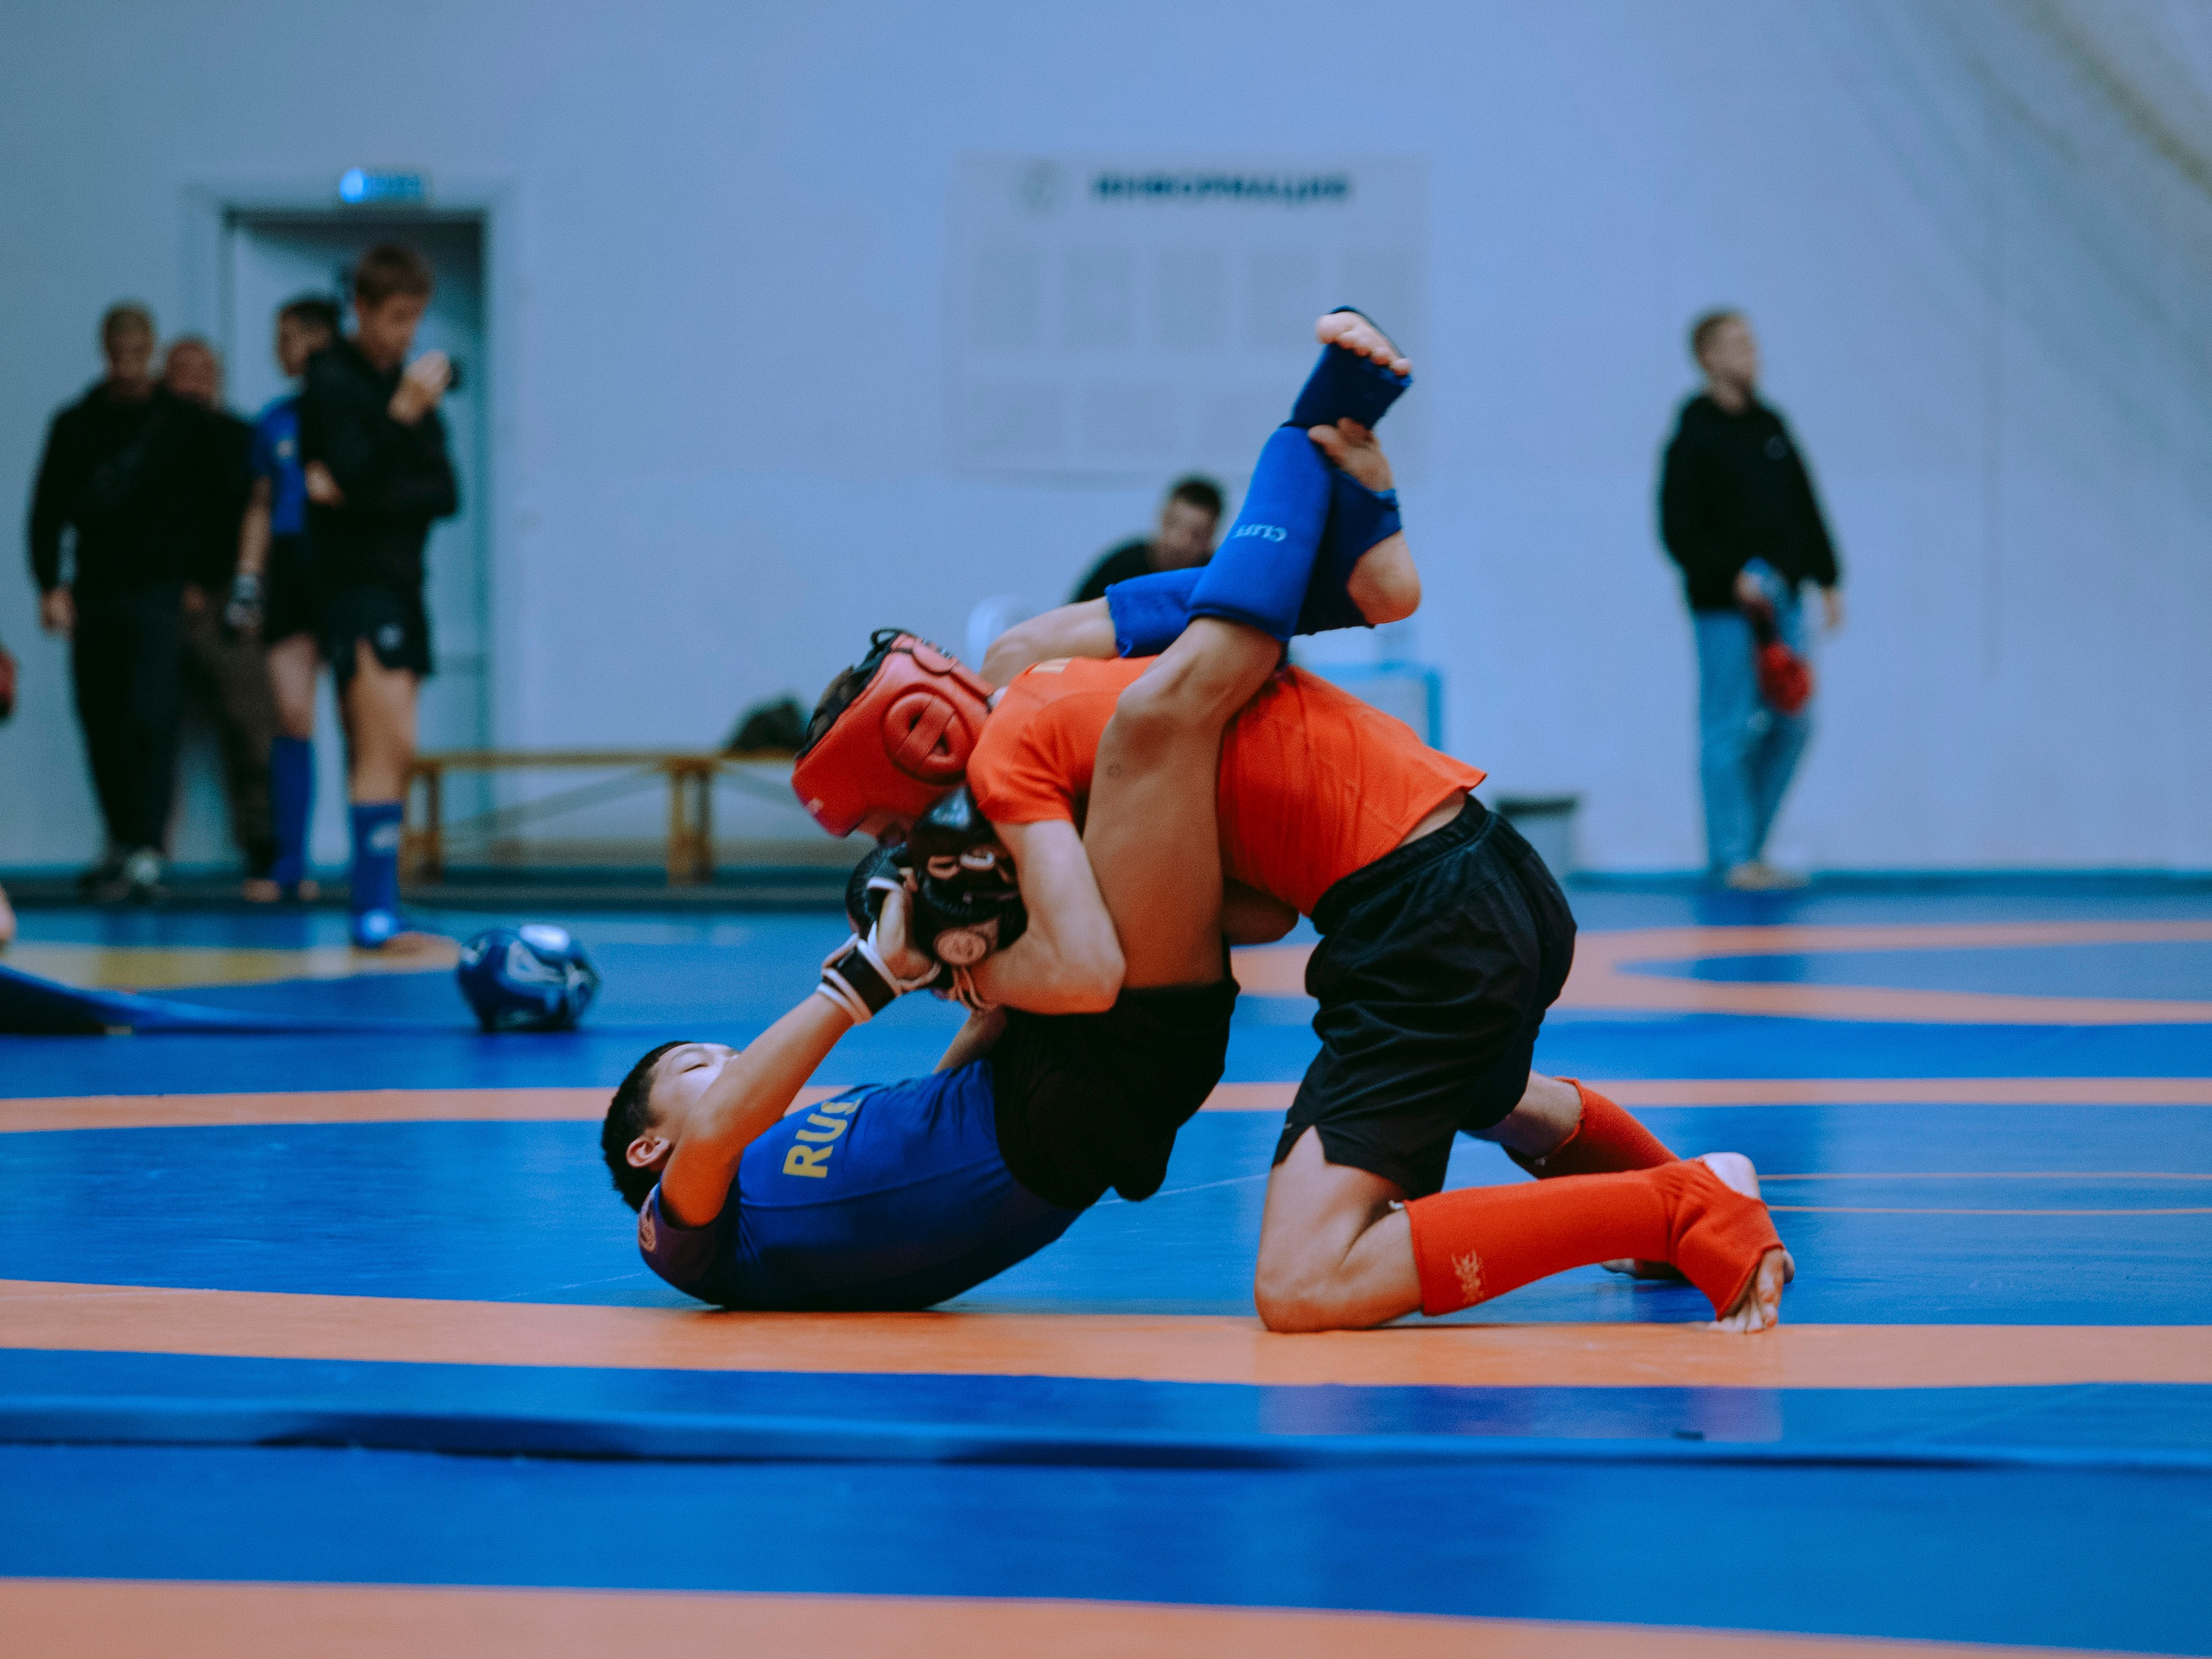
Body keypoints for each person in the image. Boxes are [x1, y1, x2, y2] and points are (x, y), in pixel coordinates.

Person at [794, 312, 1793, 1332]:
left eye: (897, 832)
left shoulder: (1029, 759)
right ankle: (1680, 1193)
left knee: (1304, 1281)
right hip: (1484, 876)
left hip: (1425, 924)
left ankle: (1679, 1209)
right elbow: (1261, 912)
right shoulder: (1035, 667)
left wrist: (981, 972)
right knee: (1490, 1090)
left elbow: (1095, 969)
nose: (919, 852)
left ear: (918, 752)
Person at [27, 304, 235, 901]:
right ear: (104, 351)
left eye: (138, 351)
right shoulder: (77, 424)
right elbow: (46, 510)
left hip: (158, 591)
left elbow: (220, 503)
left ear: (152, 351)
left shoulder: (180, 425)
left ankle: (147, 846)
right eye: (119, 352)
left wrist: (204, 577)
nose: (129, 363)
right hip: (96, 590)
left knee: (152, 718)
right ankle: (120, 840)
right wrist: (50, 585)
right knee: (101, 720)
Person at [298, 245, 457, 948]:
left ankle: (379, 901)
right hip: (358, 588)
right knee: (381, 742)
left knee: (399, 745)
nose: (405, 334)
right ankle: (372, 909)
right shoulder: (332, 380)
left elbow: (443, 491)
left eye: (414, 319)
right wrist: (396, 420)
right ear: (360, 309)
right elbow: (359, 477)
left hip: (403, 583)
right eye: (394, 317)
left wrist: (366, 488)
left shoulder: (413, 392)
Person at [1659, 309, 1845, 891]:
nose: (1752, 353)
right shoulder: (1692, 437)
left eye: (1753, 343)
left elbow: (1804, 505)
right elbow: (1678, 528)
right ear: (1708, 357)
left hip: (1783, 597)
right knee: (1728, 726)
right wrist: (1725, 574)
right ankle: (1731, 858)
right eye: (1737, 344)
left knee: (1794, 720)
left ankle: (1754, 847)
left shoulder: (1772, 428)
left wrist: (1827, 577)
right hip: (1724, 607)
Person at [232, 296, 342, 900]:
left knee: (363, 720)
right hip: (291, 569)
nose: (279, 350)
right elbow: (259, 503)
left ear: (316, 341)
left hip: (342, 568)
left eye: (286, 337)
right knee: (292, 717)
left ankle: (376, 866)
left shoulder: (351, 412)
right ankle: (290, 863)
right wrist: (248, 582)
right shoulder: (275, 419)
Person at [163, 337, 280, 897]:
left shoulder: (240, 438)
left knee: (251, 726)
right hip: (158, 602)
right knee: (144, 734)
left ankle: (263, 855)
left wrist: (242, 591)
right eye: (182, 369)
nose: (193, 379)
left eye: (203, 369)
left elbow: (260, 513)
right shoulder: (147, 438)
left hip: (222, 601)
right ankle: (142, 854)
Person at [1069, 475, 1223, 603]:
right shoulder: (1121, 566)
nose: (1179, 542)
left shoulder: (1215, 581)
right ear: (1162, 517)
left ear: (1211, 537)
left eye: (1196, 534)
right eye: (1173, 524)